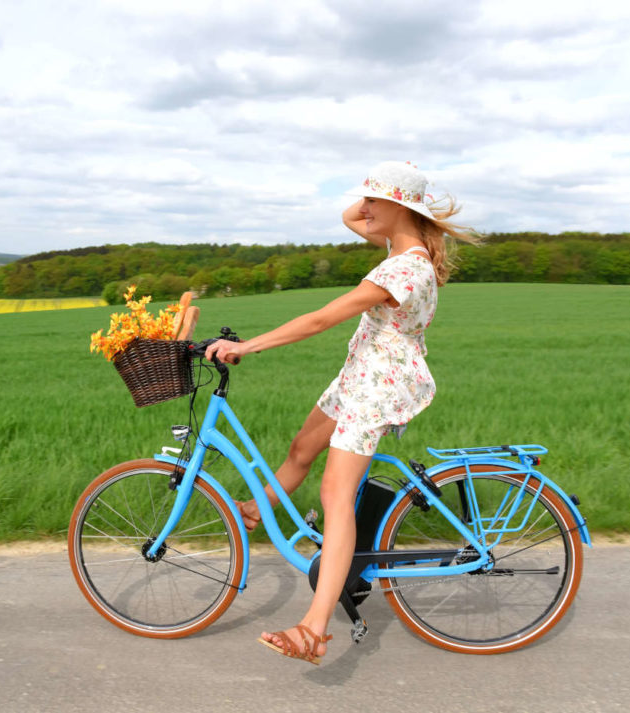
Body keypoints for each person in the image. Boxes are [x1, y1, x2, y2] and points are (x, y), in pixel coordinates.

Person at [205, 160, 479, 665]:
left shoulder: (406, 266)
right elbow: (352, 217)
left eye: (376, 199)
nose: (364, 208)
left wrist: (250, 347)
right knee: (301, 449)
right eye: (367, 198)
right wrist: (385, 200)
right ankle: (253, 512)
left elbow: (322, 318)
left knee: (336, 493)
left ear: (400, 207)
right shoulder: (400, 246)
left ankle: (313, 629)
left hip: (379, 385)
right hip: (360, 374)